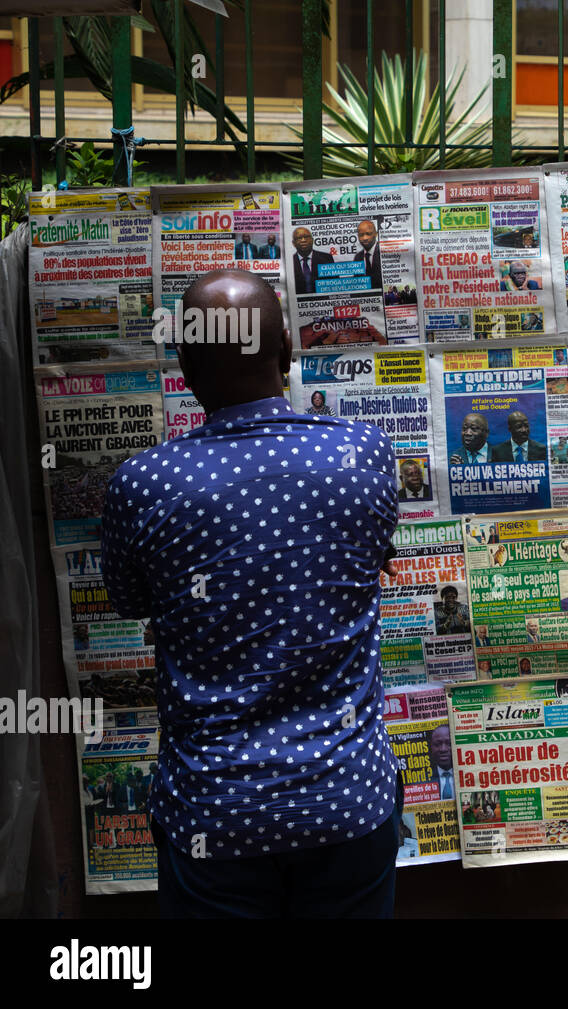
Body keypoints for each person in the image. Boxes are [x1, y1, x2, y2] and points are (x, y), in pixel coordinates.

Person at [99, 269, 401, 917]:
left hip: (216, 813)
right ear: (287, 351)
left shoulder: (143, 483)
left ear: (182, 365)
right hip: (347, 800)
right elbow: (371, 560)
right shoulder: (364, 453)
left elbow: (129, 599)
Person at [291, 227, 334, 295]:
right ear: (294, 243)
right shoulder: (290, 261)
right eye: (299, 238)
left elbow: (334, 284)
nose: (303, 240)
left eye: (306, 237)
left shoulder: (327, 258)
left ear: (312, 240)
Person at [354, 219, 383, 288]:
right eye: (361, 235)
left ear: (376, 234)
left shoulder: (383, 252)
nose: (365, 238)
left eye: (368, 234)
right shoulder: (357, 257)